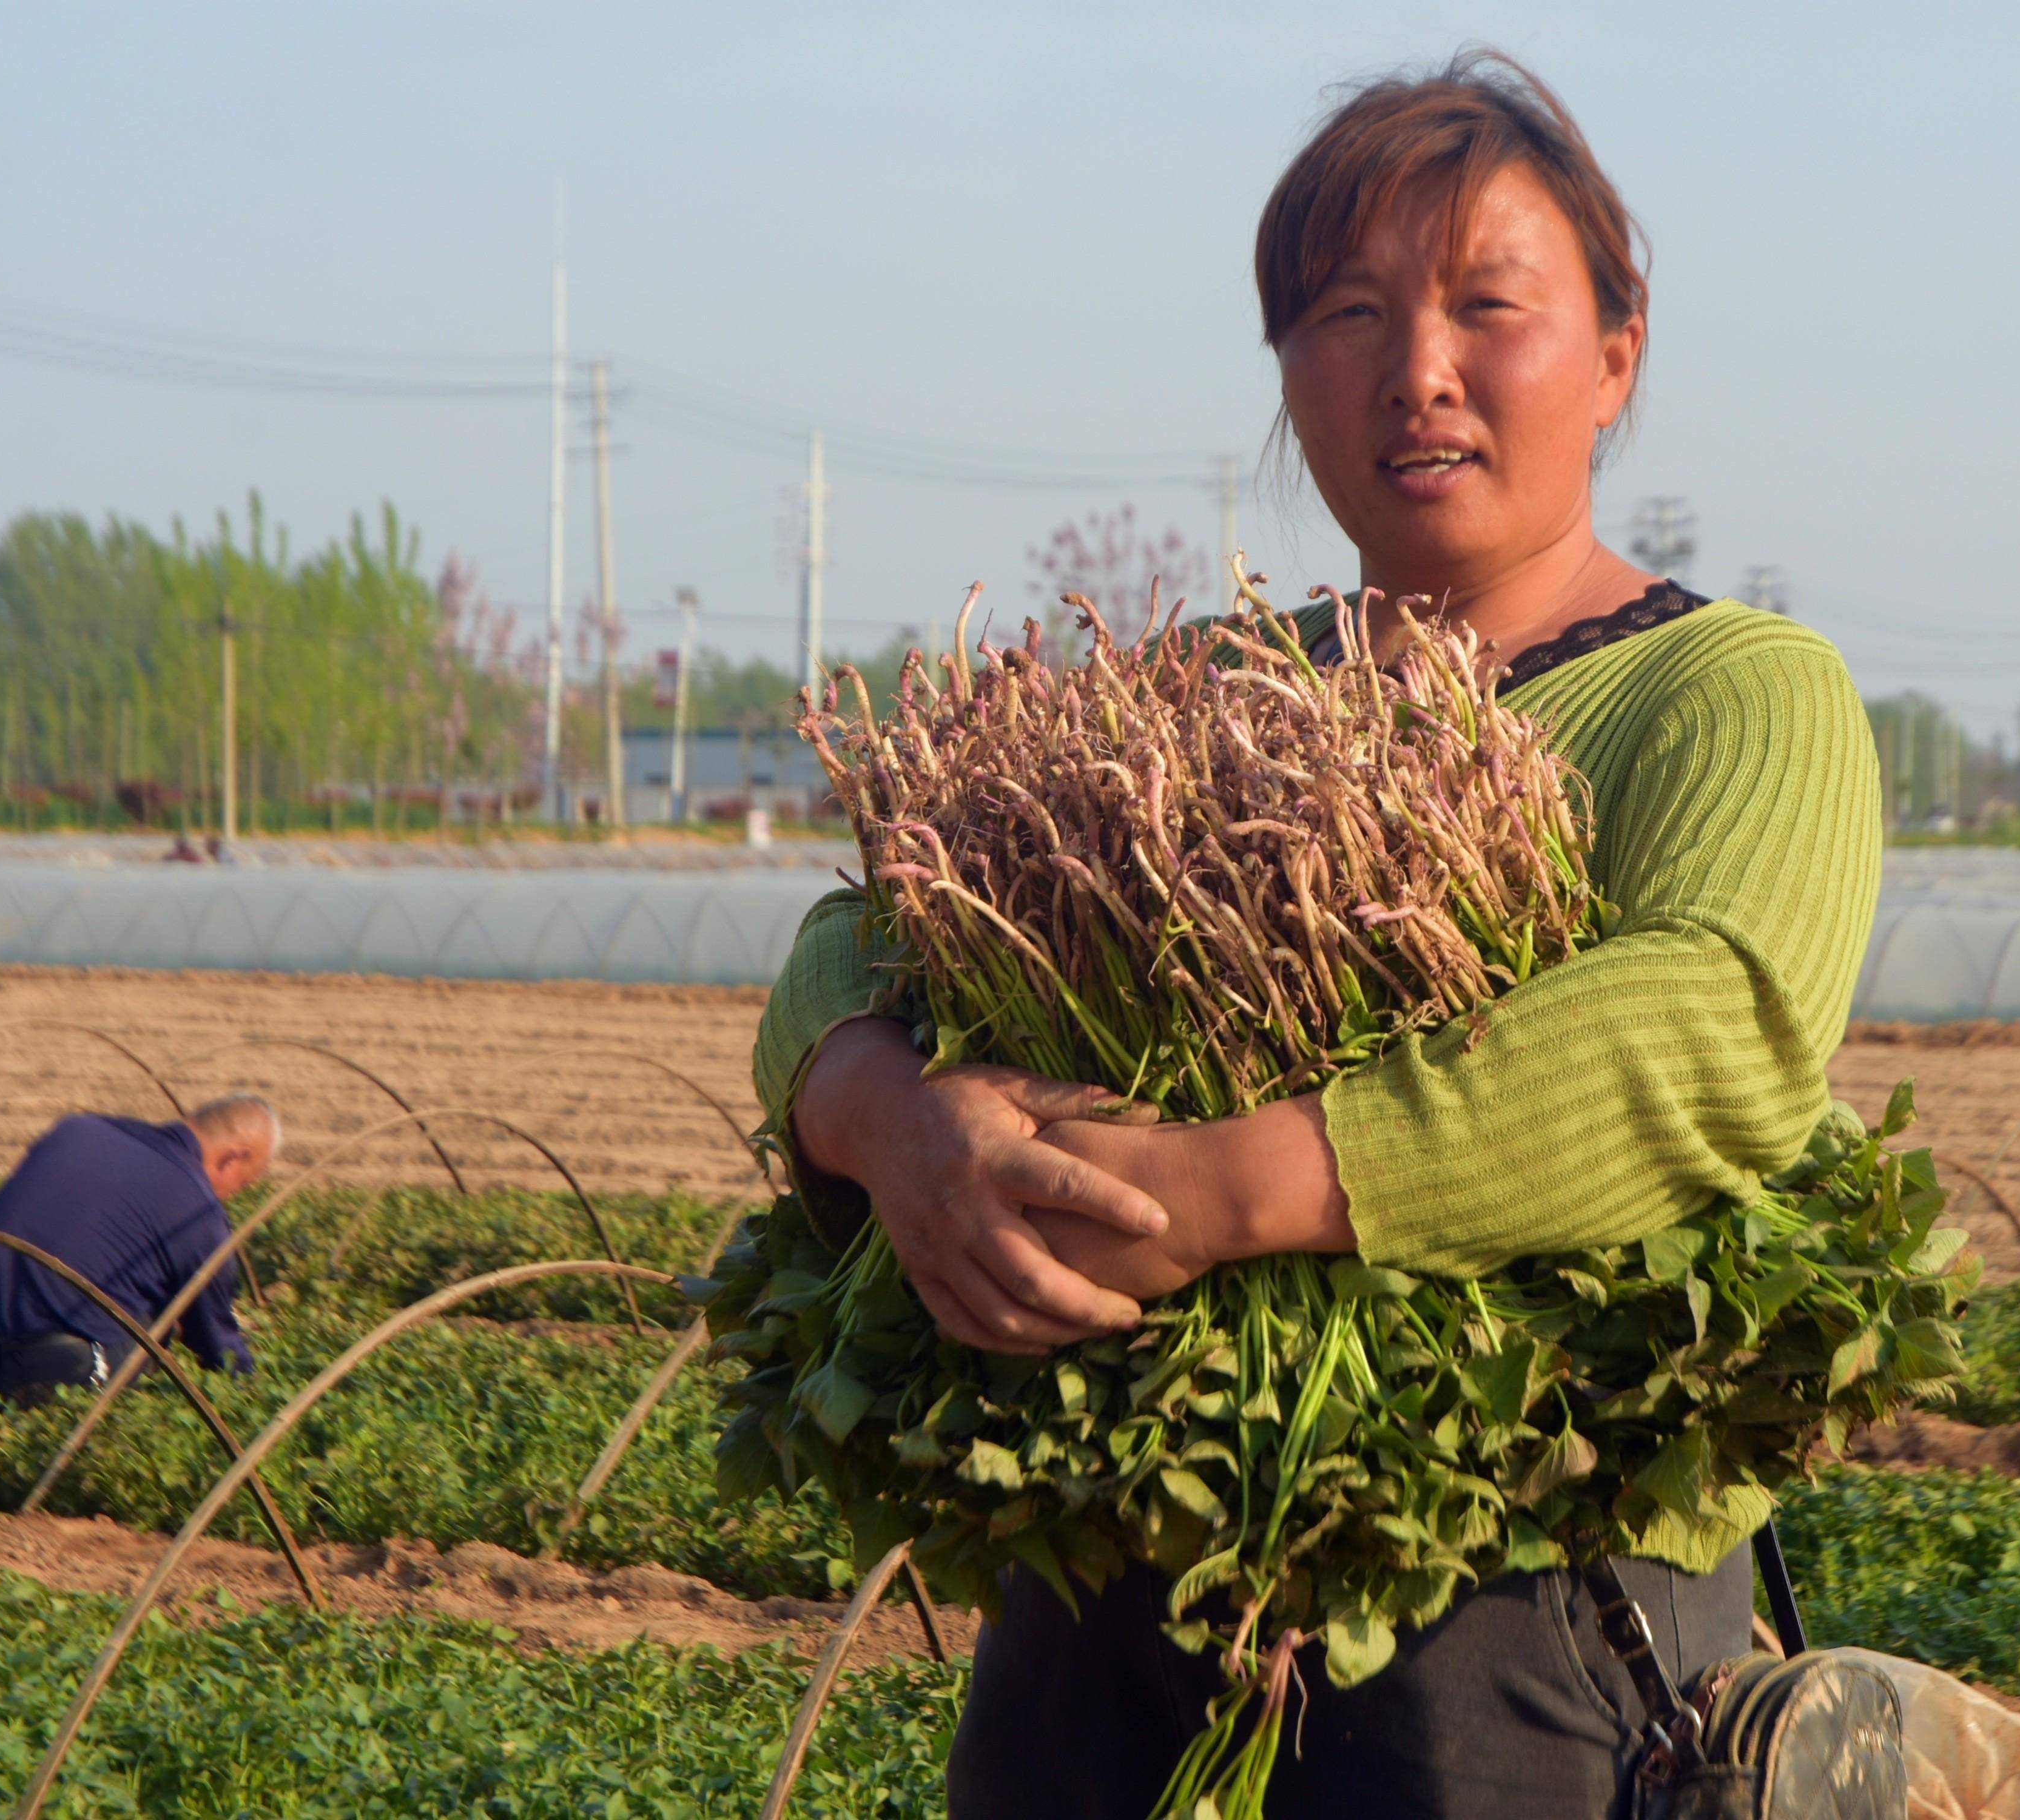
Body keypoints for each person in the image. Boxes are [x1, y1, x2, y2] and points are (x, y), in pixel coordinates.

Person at [753, 51, 1882, 1820]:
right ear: (1285, 365)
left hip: (1512, 1629)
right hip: (1102, 1594)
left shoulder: (1723, 691)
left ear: (1615, 350)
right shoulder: (1193, 697)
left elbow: (1708, 1030)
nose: (1414, 367)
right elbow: (864, 929)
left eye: (1485, 305)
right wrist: (890, 1115)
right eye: (1345, 310)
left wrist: (1208, 1191)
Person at [0, 1095, 277, 1405]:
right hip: (47, 1376)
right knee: (153, 1328)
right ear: (233, 1158)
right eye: (241, 1185)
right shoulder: (199, 1213)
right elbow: (217, 1347)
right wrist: (251, 1397)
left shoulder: (77, 1129)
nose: (229, 1197)